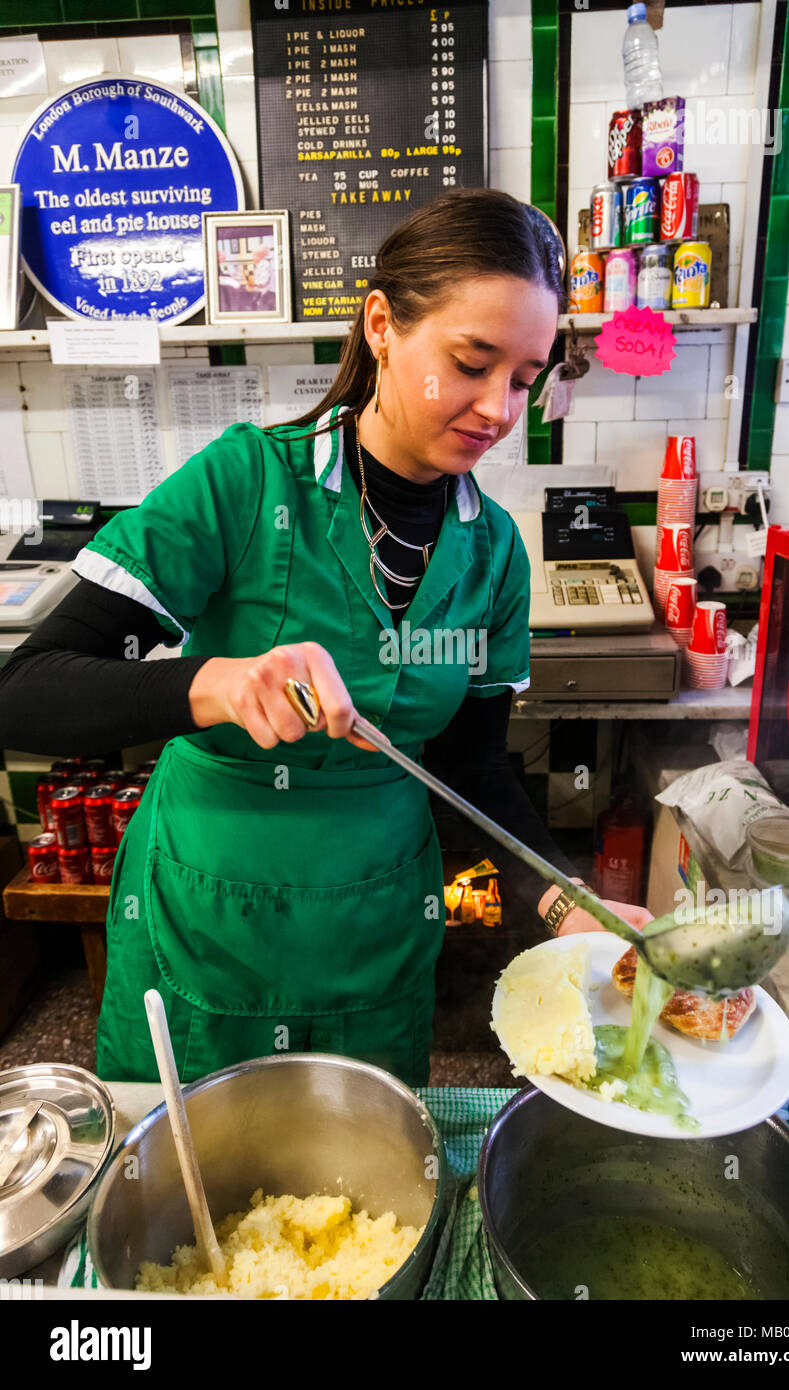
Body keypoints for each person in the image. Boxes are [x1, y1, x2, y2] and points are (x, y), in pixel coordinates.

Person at [0, 188, 650, 1086]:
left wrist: (561, 897)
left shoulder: (493, 549)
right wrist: (213, 684)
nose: (501, 408)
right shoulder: (244, 483)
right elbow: (26, 689)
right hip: (211, 917)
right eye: (472, 362)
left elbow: (471, 765)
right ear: (382, 325)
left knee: (364, 1185)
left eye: (525, 376)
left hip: (377, 923)